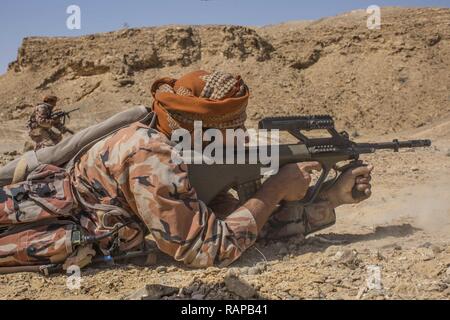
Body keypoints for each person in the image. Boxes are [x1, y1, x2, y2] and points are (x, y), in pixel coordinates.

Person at [70, 70, 374, 268]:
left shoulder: (181, 145)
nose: (242, 136)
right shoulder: (151, 154)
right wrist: (276, 188)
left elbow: (246, 228)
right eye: (234, 127)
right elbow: (207, 250)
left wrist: (333, 196)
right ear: (204, 130)